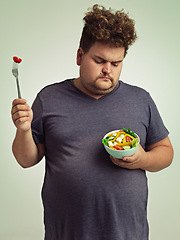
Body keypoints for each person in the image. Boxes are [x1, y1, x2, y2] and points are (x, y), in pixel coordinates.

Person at [11, 4, 173, 240]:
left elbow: (166, 152)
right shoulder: (49, 98)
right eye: (99, 61)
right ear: (80, 56)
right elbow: (26, 160)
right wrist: (23, 130)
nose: (108, 70)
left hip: (128, 233)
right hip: (66, 233)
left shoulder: (141, 99)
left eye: (116, 63)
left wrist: (143, 159)